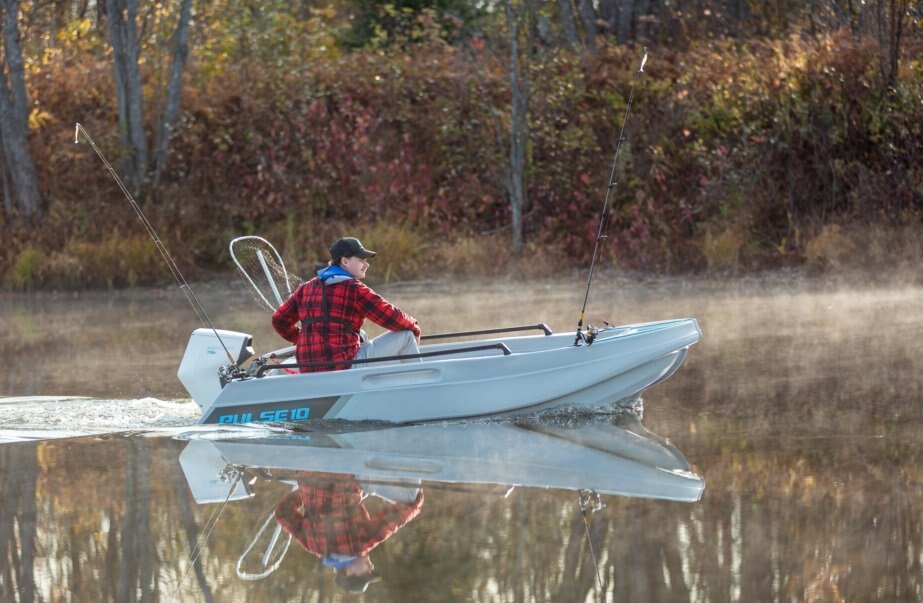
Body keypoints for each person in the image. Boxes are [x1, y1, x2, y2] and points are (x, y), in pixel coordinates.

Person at [272, 237, 421, 372]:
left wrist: (301, 338)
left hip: (307, 368)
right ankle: (420, 384)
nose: (366, 264)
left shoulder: (306, 287)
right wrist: (414, 327)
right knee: (407, 335)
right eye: (361, 260)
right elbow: (391, 316)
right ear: (345, 261)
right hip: (343, 366)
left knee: (361, 335)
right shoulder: (354, 288)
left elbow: (279, 321)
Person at [274, 471, 424, 593]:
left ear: (349, 571)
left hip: (347, 470)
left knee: (409, 498)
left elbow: (396, 518)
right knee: (356, 495)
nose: (371, 566)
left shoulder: (358, 547)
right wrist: (305, 491)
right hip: (308, 473)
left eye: (366, 572)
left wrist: (417, 506)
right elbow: (282, 513)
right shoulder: (312, 546)